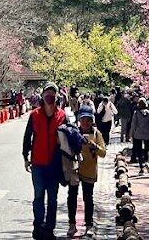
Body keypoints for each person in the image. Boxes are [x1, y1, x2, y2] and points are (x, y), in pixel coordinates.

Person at [23, 82, 65, 240]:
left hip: (55, 164)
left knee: (52, 198)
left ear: (56, 97)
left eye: (52, 94)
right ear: (42, 96)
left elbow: (68, 137)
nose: (50, 97)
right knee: (39, 195)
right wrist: (25, 157)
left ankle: (49, 228)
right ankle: (38, 227)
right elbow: (28, 137)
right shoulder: (34, 115)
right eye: (47, 94)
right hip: (38, 163)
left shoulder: (61, 115)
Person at [66, 103, 106, 237]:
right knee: (72, 197)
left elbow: (103, 152)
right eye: (83, 119)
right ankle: (72, 224)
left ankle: (89, 225)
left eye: (88, 120)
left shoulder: (96, 133)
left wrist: (93, 146)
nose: (85, 122)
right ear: (79, 120)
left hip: (89, 171)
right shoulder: (73, 132)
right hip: (75, 170)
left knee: (88, 198)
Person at [129, 98, 149, 174]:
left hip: (137, 134)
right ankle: (147, 162)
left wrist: (131, 134)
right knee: (147, 149)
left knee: (139, 150)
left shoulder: (136, 113)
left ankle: (141, 168)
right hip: (147, 134)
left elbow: (133, 125)